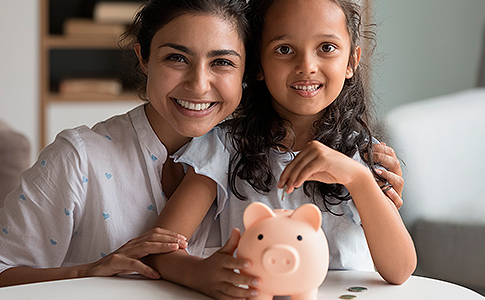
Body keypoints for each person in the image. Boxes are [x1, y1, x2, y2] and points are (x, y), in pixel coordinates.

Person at [0, 0, 251, 293]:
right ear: (144, 58)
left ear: (247, 72)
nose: (198, 84)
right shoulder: (80, 158)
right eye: (176, 58)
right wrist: (88, 272)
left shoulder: (260, 161)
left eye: (222, 62)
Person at [148, 0, 416, 298]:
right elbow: (159, 249)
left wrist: (358, 179)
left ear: (352, 62)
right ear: (258, 65)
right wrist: (200, 273)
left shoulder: (363, 157)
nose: (307, 66)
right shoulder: (224, 147)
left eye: (326, 48)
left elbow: (400, 270)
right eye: (284, 49)